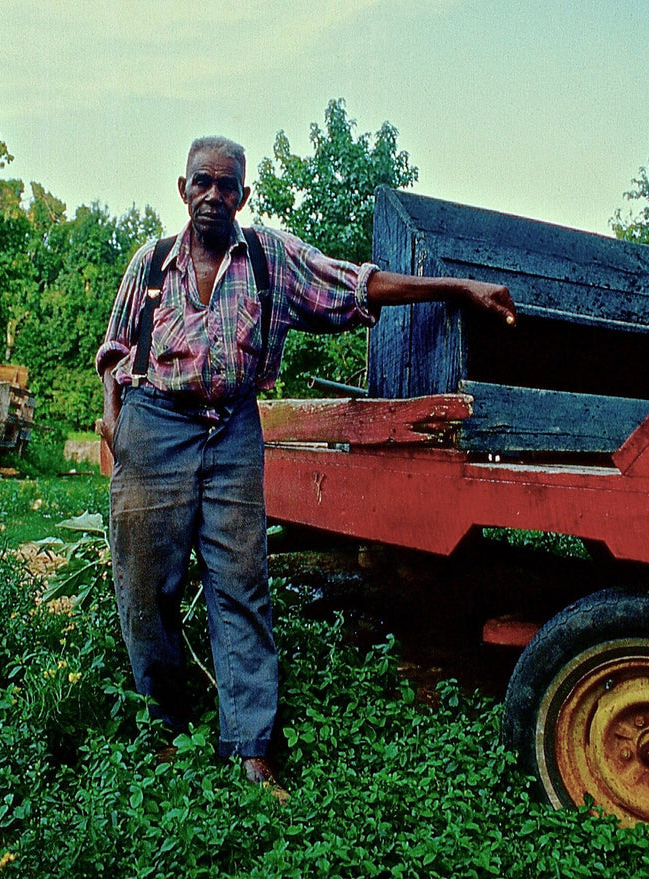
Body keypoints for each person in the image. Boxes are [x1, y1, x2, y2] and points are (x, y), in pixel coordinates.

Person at [95, 135, 513, 794]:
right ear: (182, 188)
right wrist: (115, 421)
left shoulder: (271, 258)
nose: (213, 195)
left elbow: (358, 284)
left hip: (232, 426)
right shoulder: (148, 265)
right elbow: (115, 352)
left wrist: (457, 286)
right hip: (154, 426)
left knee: (242, 584)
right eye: (201, 182)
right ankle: (164, 728)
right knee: (145, 588)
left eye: (226, 185)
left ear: (243, 194)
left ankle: (250, 745)